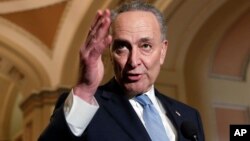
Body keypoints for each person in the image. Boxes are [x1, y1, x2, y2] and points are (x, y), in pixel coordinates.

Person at [39, 1, 205, 141]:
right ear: (110, 53)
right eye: (122, 48)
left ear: (162, 51)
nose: (133, 61)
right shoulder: (87, 105)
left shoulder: (188, 116)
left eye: (145, 46)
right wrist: (85, 88)